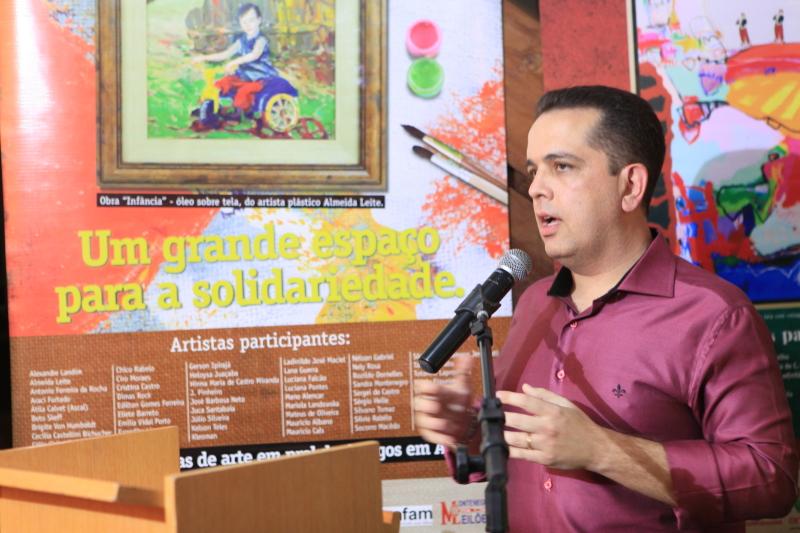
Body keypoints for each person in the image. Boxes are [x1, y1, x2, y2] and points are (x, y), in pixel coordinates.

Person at [413, 85, 798, 531]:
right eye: (534, 171)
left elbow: (771, 479)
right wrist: (468, 428)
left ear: (630, 186)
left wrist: (601, 449)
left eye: (562, 167)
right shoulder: (534, 303)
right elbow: (521, 452)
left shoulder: (714, 315)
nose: (536, 189)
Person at [192, 3, 278, 113]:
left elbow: (254, 55)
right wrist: (204, 58)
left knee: (243, 92)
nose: (248, 25)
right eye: (244, 22)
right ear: (240, 23)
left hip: (261, 78)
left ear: (259, 20)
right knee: (223, 83)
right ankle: (210, 106)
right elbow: (226, 54)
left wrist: (234, 62)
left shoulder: (261, 40)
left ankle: (238, 113)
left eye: (251, 20)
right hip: (244, 76)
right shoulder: (241, 41)